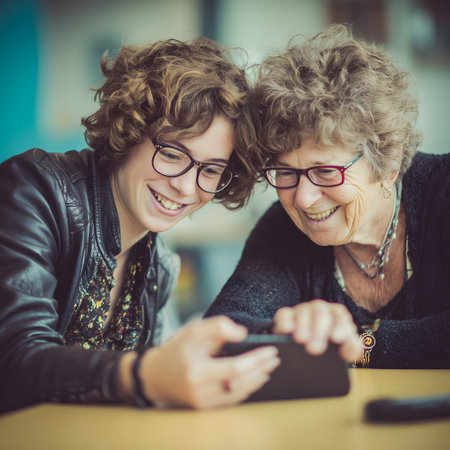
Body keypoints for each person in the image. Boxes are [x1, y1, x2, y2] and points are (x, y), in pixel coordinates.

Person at [0, 37, 281, 414]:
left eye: (211, 170)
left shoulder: (161, 265)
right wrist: (143, 375)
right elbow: (15, 360)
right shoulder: (35, 190)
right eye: (171, 152)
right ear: (130, 128)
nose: (185, 186)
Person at [205, 24, 450, 369]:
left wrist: (358, 346)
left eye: (325, 172)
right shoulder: (282, 228)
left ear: (389, 161)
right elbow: (220, 333)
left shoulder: (442, 194)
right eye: (285, 172)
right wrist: (283, 331)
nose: (303, 199)